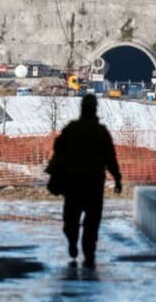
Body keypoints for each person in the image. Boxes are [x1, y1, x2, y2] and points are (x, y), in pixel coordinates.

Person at [51, 94, 122, 268]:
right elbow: (110, 157)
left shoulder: (72, 129)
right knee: (92, 221)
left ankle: (73, 242)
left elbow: (58, 150)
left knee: (71, 219)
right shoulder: (100, 131)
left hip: (74, 183)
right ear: (95, 108)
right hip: (93, 184)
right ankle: (88, 252)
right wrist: (117, 178)